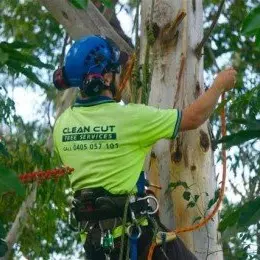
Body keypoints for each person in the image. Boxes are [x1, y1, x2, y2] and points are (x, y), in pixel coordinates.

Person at [53, 35, 237, 260]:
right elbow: (193, 117)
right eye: (115, 70)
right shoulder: (130, 118)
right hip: (135, 240)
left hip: (94, 246)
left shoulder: (61, 126)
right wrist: (219, 86)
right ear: (107, 77)